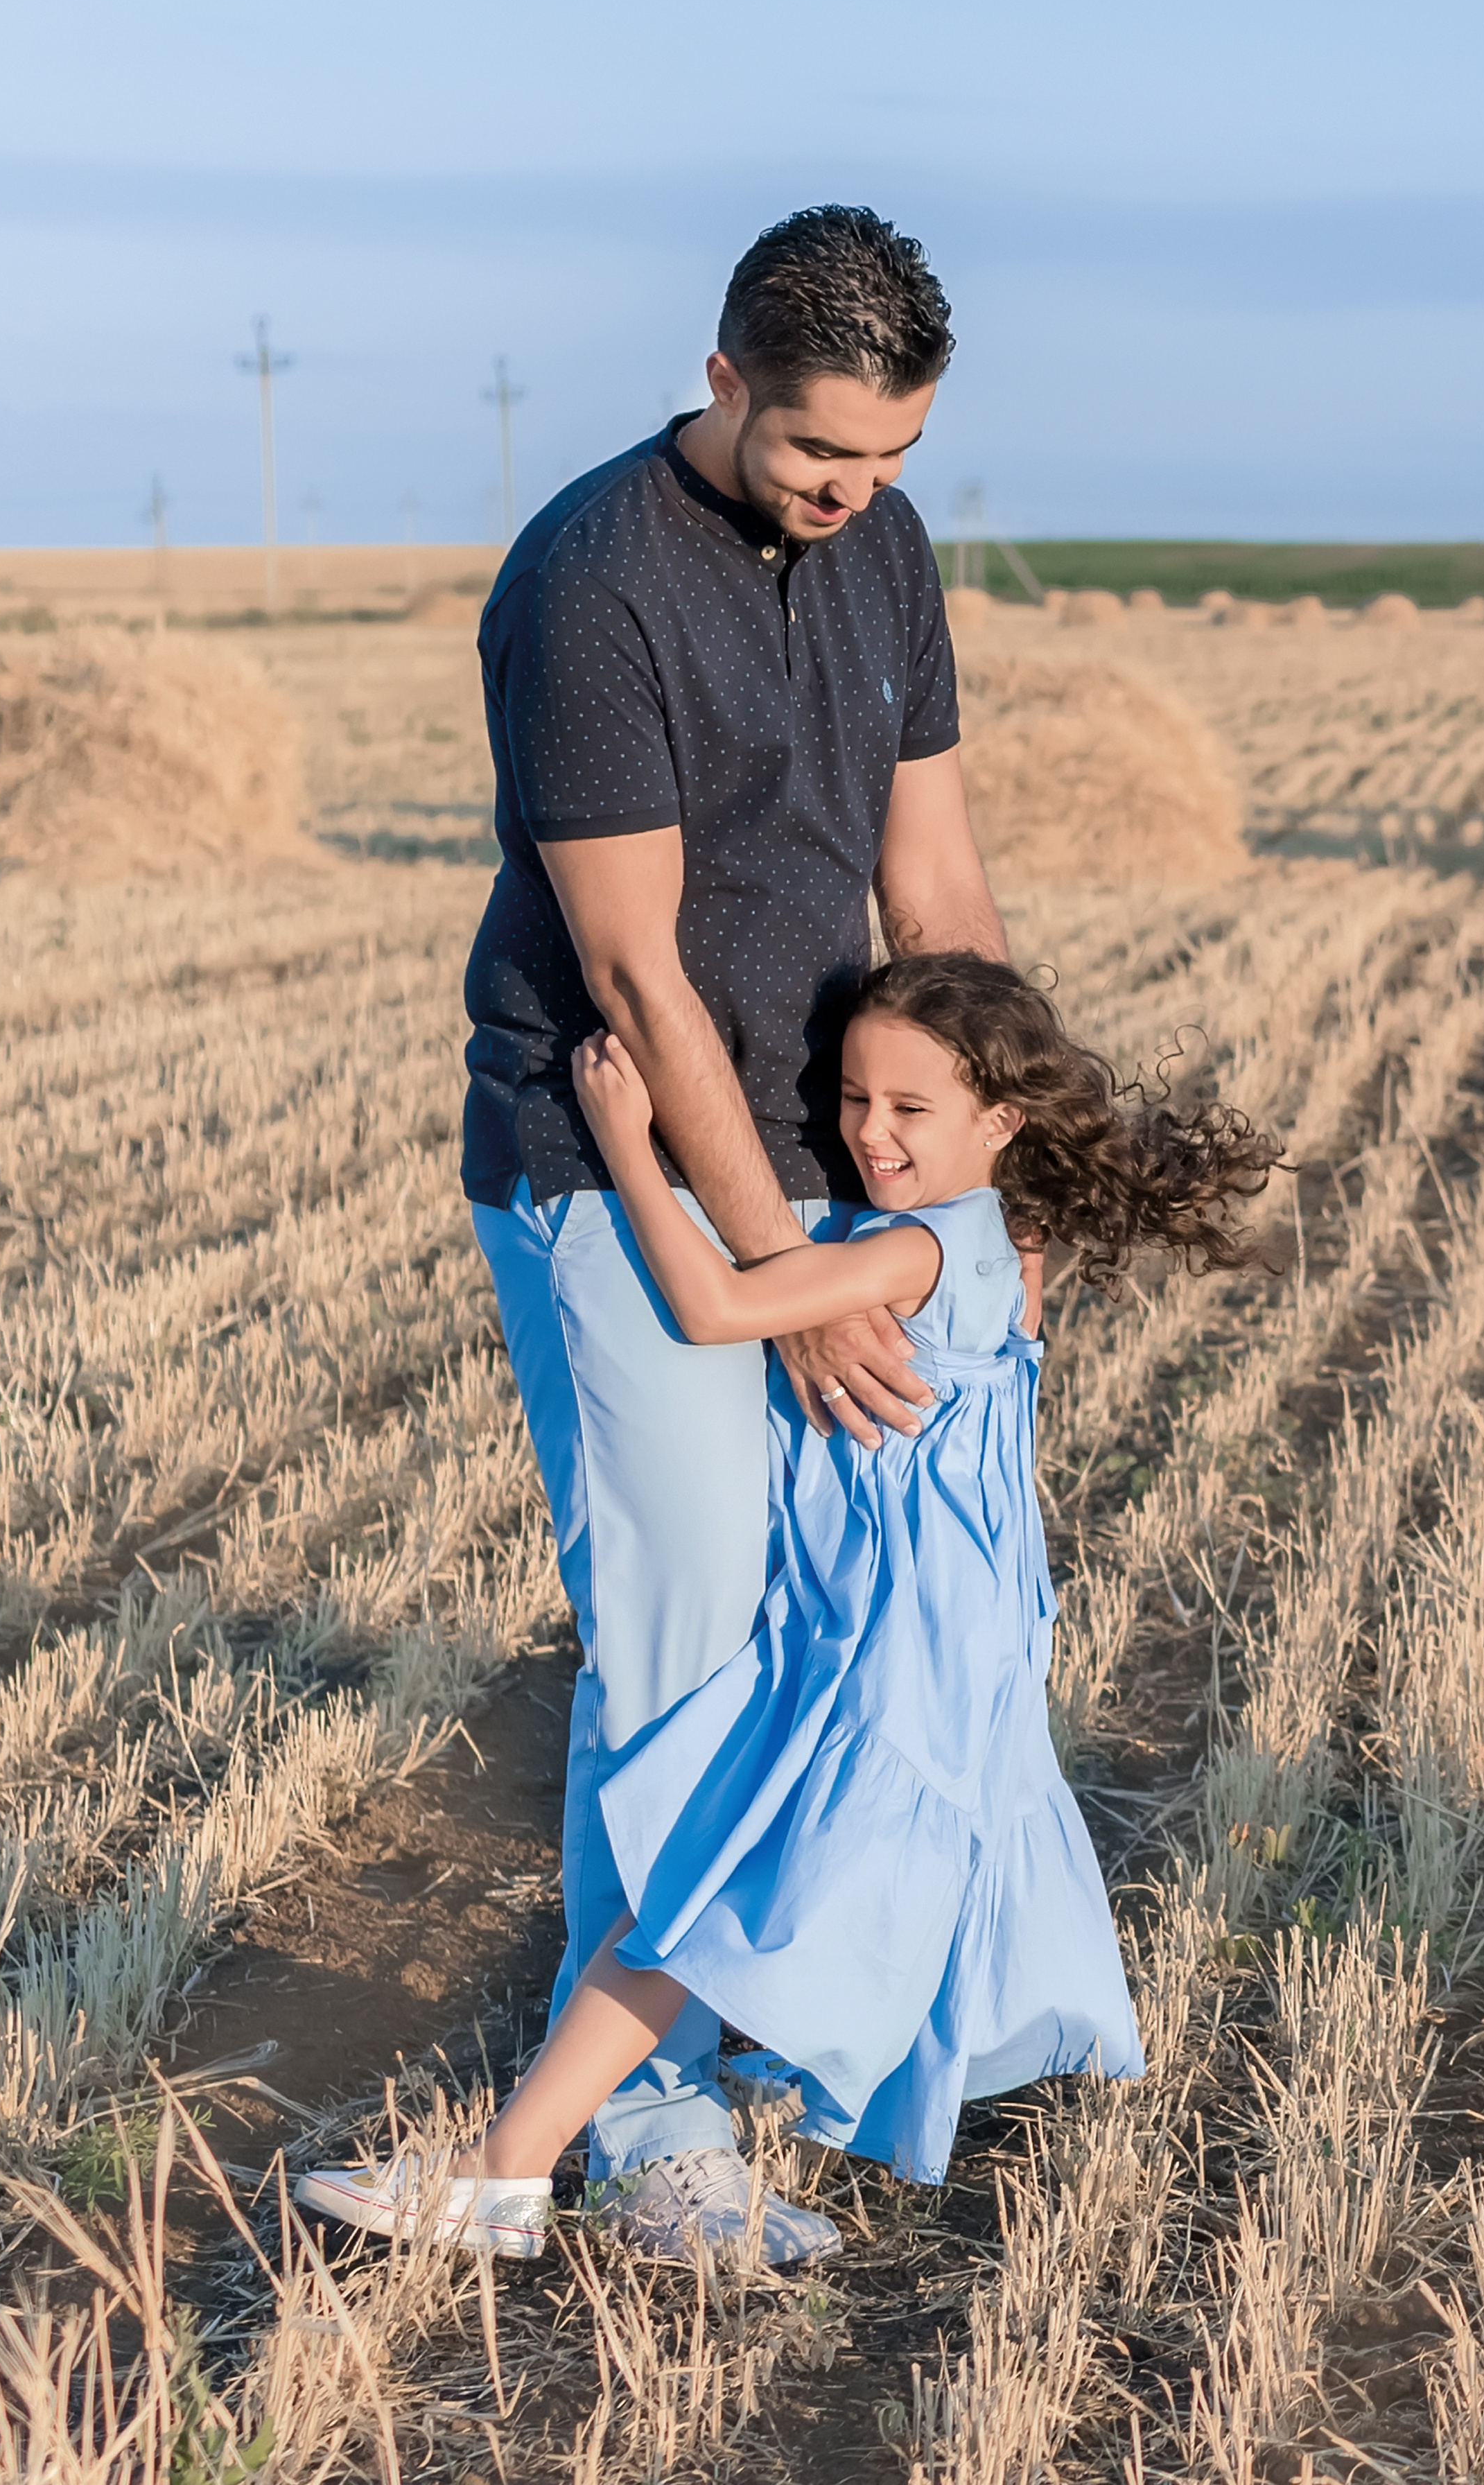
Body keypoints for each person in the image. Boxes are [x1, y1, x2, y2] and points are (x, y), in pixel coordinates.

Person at [297, 953, 1282, 2256]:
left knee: (717, 1895)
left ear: (1001, 1122)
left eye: (910, 1111)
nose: (870, 1134)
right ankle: (636, 2118)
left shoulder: (927, 1247)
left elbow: (715, 1309)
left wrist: (629, 1148)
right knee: (769, 1886)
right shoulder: (988, 1235)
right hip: (925, 1627)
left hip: (892, 1643)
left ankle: (504, 2171)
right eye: (855, 1100)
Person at [423, 206, 1015, 2264]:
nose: (852, 497)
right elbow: (642, 982)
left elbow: (931, 881)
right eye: (815, 458)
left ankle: (721, 2050)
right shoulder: (590, 589)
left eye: (892, 462)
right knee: (684, 1655)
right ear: (723, 376)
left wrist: (993, 1178)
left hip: (840, 1161)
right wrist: (771, 1292)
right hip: (621, 1174)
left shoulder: (889, 546)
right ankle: (651, 2136)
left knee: (805, 1641)